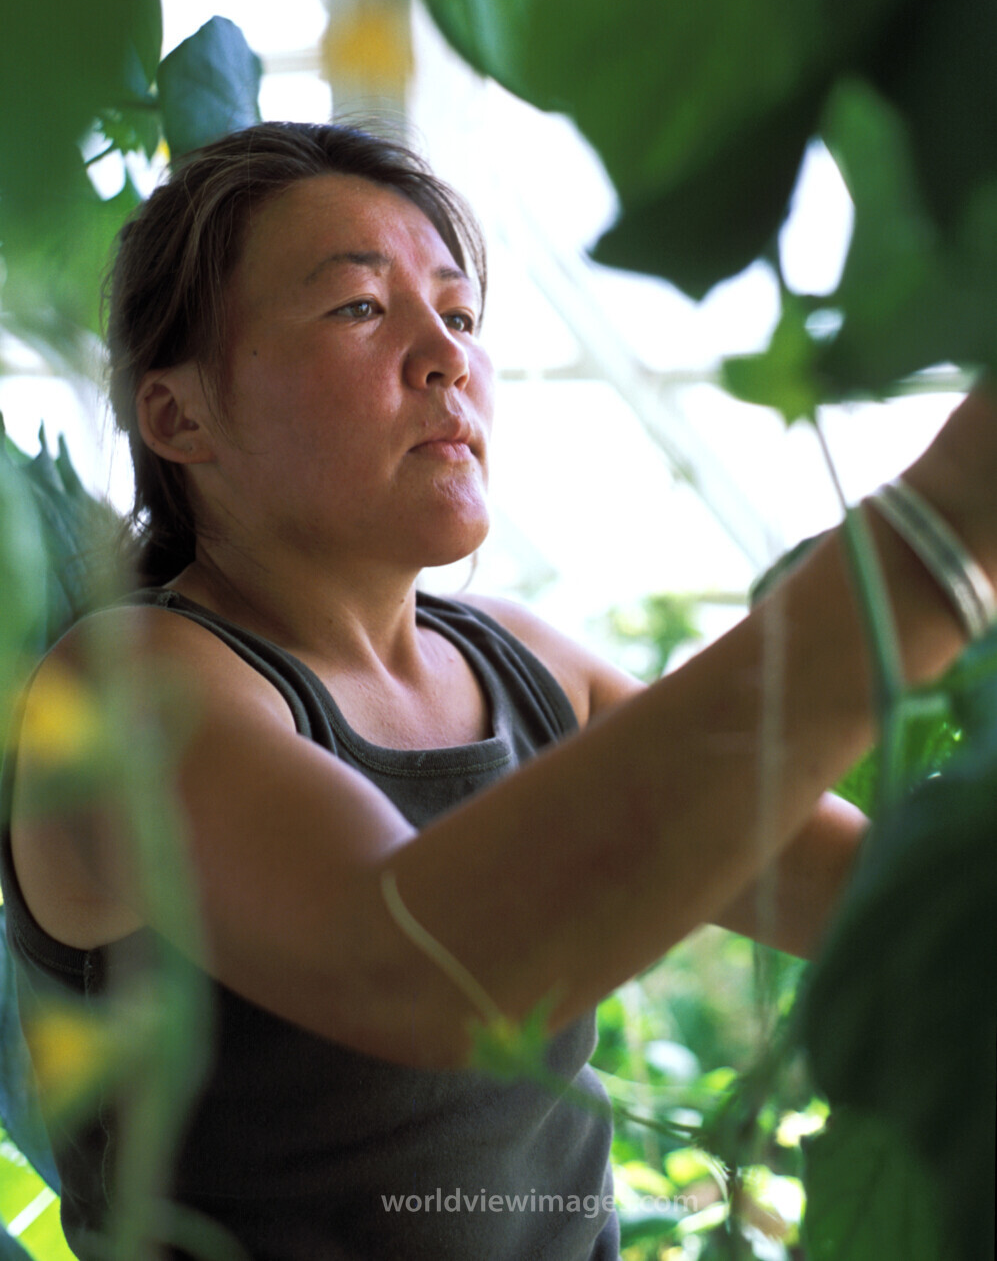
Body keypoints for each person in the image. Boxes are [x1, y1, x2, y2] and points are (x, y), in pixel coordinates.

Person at [0, 121, 992, 1261]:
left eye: (460, 316)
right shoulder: (130, 688)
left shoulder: (526, 665)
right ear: (179, 416)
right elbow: (428, 974)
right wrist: (936, 544)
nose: (445, 357)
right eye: (360, 308)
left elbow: (869, 901)